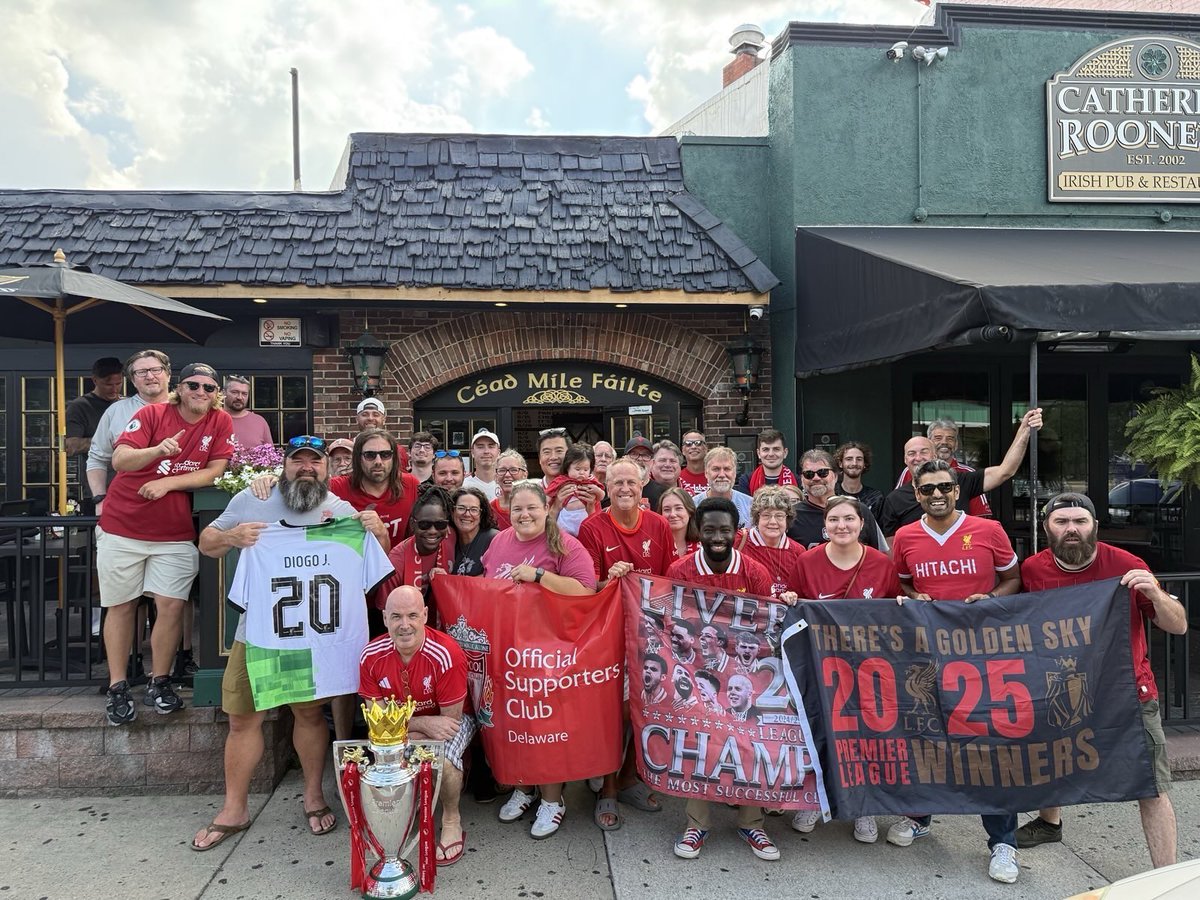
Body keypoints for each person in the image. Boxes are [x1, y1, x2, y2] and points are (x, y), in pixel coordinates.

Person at [190, 436, 390, 851]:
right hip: (257, 634)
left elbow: (377, 559)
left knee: (309, 714)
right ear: (284, 466)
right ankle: (234, 808)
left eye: (315, 462)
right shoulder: (253, 498)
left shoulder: (341, 512)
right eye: (298, 461)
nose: (306, 468)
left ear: (327, 469)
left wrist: (379, 531)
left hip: (312, 639)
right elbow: (206, 543)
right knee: (242, 718)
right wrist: (233, 537)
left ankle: (313, 797)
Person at [1015, 492, 1187, 869]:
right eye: (1062, 522)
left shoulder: (1126, 564)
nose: (1071, 529)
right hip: (1061, 687)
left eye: (1080, 521)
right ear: (1046, 527)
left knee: (1152, 785)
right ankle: (1049, 823)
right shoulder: (1032, 569)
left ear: (1094, 526)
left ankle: (1166, 875)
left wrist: (1155, 594)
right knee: (1052, 761)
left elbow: (1178, 625)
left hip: (1127, 692)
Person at [887, 460, 1022, 884]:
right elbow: (901, 584)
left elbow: (1013, 578)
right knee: (925, 737)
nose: (937, 494)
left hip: (981, 657)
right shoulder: (906, 536)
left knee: (988, 745)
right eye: (928, 489)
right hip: (927, 656)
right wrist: (913, 596)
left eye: (944, 486)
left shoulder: (989, 530)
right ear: (917, 494)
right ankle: (919, 816)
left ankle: (1003, 841)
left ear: (957, 490)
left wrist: (992, 597)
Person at [99, 363, 234, 725]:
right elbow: (120, 459)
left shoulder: (220, 421)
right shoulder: (153, 414)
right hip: (123, 524)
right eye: (193, 385)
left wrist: (168, 483)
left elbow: (215, 470)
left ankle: (160, 681)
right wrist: (158, 450)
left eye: (209, 387)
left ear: (216, 393)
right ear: (180, 387)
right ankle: (117, 685)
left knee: (172, 606)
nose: (201, 392)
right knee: (122, 606)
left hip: (173, 530)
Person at [666, 496, 777, 862]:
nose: (717, 537)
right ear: (698, 531)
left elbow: (767, 626)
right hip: (699, 672)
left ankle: (752, 822)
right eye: (710, 529)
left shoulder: (755, 572)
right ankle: (697, 823)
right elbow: (671, 624)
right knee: (697, 742)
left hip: (742, 674)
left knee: (751, 743)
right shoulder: (681, 569)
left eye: (724, 530)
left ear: (736, 532)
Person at [484, 479, 596, 839]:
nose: (524, 514)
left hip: (549, 652)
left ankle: (553, 799)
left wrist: (540, 576)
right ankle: (525, 787)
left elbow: (585, 590)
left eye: (532, 507)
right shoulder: (499, 541)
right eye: (517, 508)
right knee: (515, 723)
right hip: (508, 651)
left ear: (547, 509)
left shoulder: (564, 543)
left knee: (545, 727)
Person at [791, 495, 903, 844]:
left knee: (863, 734)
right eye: (834, 520)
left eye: (849, 519)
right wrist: (790, 599)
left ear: (862, 524)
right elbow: (794, 611)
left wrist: (903, 605)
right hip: (822, 663)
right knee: (820, 730)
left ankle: (863, 808)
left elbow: (894, 609)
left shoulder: (881, 564)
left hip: (868, 666)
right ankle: (815, 799)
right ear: (824, 526)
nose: (842, 526)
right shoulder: (807, 562)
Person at [579, 457, 675, 828]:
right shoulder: (592, 527)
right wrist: (610, 581)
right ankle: (607, 789)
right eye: (617, 482)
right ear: (605, 486)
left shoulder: (659, 525)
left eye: (631, 482)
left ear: (643, 484)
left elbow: (668, 583)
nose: (624, 489)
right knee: (614, 713)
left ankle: (630, 778)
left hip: (650, 632)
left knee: (648, 707)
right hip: (609, 634)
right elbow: (588, 587)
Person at [360, 585, 474, 866]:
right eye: (396, 616)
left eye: (412, 615)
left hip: (454, 720)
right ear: (384, 618)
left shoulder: (446, 653)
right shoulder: (370, 655)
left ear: (424, 615)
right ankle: (406, 808)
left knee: (443, 758)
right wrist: (420, 724)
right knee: (388, 752)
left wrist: (407, 727)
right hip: (415, 725)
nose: (405, 625)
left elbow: (449, 723)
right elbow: (379, 721)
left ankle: (451, 819)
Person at [879, 409, 1043, 537]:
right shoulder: (896, 497)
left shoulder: (962, 479)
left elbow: (1004, 471)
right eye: (912, 454)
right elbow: (892, 543)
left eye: (924, 452)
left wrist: (1024, 431)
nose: (918, 458)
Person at [87, 349, 171, 513]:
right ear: (132, 380)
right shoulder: (116, 411)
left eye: (156, 370)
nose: (150, 376)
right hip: (127, 503)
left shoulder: (187, 410)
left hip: (178, 503)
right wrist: (100, 498)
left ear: (168, 374)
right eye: (141, 372)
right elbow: (97, 458)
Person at [378, 485, 456, 626]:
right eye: (424, 524)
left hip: (444, 626)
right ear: (413, 524)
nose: (433, 531)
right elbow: (385, 614)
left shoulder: (453, 538)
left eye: (440, 524)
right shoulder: (396, 561)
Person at [788, 450, 886, 552]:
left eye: (823, 473)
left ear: (835, 476)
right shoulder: (791, 515)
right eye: (809, 474)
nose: (816, 478)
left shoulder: (859, 510)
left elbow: (880, 553)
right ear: (802, 479)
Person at [894, 417, 992, 518]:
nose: (944, 442)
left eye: (950, 439)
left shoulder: (967, 473)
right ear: (929, 442)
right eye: (938, 438)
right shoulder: (910, 471)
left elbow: (980, 515)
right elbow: (896, 504)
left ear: (956, 445)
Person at [64, 356, 123, 514]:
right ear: (95, 380)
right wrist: (108, 441)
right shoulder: (79, 406)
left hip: (128, 481)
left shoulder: (125, 404)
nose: (114, 389)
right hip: (98, 485)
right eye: (108, 384)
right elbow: (70, 446)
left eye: (118, 383)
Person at [739, 486, 804, 604]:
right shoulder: (739, 541)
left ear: (787, 519)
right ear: (757, 518)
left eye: (779, 516)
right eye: (766, 515)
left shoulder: (798, 551)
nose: (773, 522)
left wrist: (792, 596)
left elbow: (802, 591)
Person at [548, 443, 603, 537]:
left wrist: (596, 490)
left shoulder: (591, 481)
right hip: (565, 519)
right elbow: (548, 495)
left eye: (585, 470)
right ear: (568, 467)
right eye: (577, 469)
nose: (581, 473)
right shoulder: (561, 480)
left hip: (584, 518)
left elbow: (601, 495)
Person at [695, 446, 752, 527]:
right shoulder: (693, 505)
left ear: (735, 473)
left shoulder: (750, 506)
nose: (722, 475)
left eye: (727, 469)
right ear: (706, 473)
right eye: (716, 469)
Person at [450, 486, 499, 576]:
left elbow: (498, 575)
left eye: (474, 510)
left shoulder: (495, 539)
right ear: (452, 511)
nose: (467, 514)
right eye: (461, 508)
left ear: (481, 514)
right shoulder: (447, 539)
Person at [734, 428, 797, 496]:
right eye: (766, 449)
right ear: (758, 453)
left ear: (785, 453)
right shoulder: (746, 481)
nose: (771, 454)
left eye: (776, 449)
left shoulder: (797, 480)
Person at [834, 441, 884, 520]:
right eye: (849, 459)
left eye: (859, 459)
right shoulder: (832, 493)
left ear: (864, 464)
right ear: (840, 463)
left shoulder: (875, 497)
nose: (854, 463)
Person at [223, 374, 273, 449]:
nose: (239, 397)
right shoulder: (214, 419)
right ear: (224, 393)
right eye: (234, 392)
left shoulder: (259, 421)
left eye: (244, 394)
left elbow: (270, 453)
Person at [490, 449, 528, 530]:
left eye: (513, 470)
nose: (507, 474)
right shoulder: (490, 509)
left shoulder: (534, 506)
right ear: (496, 476)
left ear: (525, 475)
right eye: (502, 470)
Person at [660, 487, 700, 559]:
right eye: (667, 509)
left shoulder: (703, 547)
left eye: (678, 508)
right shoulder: (654, 544)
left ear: (690, 511)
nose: (672, 514)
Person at [463, 428, 501, 500]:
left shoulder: (506, 484)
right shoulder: (463, 485)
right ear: (472, 452)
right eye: (480, 447)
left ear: (498, 452)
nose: (486, 451)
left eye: (491, 446)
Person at [678, 430, 708, 499]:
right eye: (688, 443)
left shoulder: (714, 476)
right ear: (683, 450)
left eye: (698, 443)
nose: (693, 447)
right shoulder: (677, 478)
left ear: (705, 448)